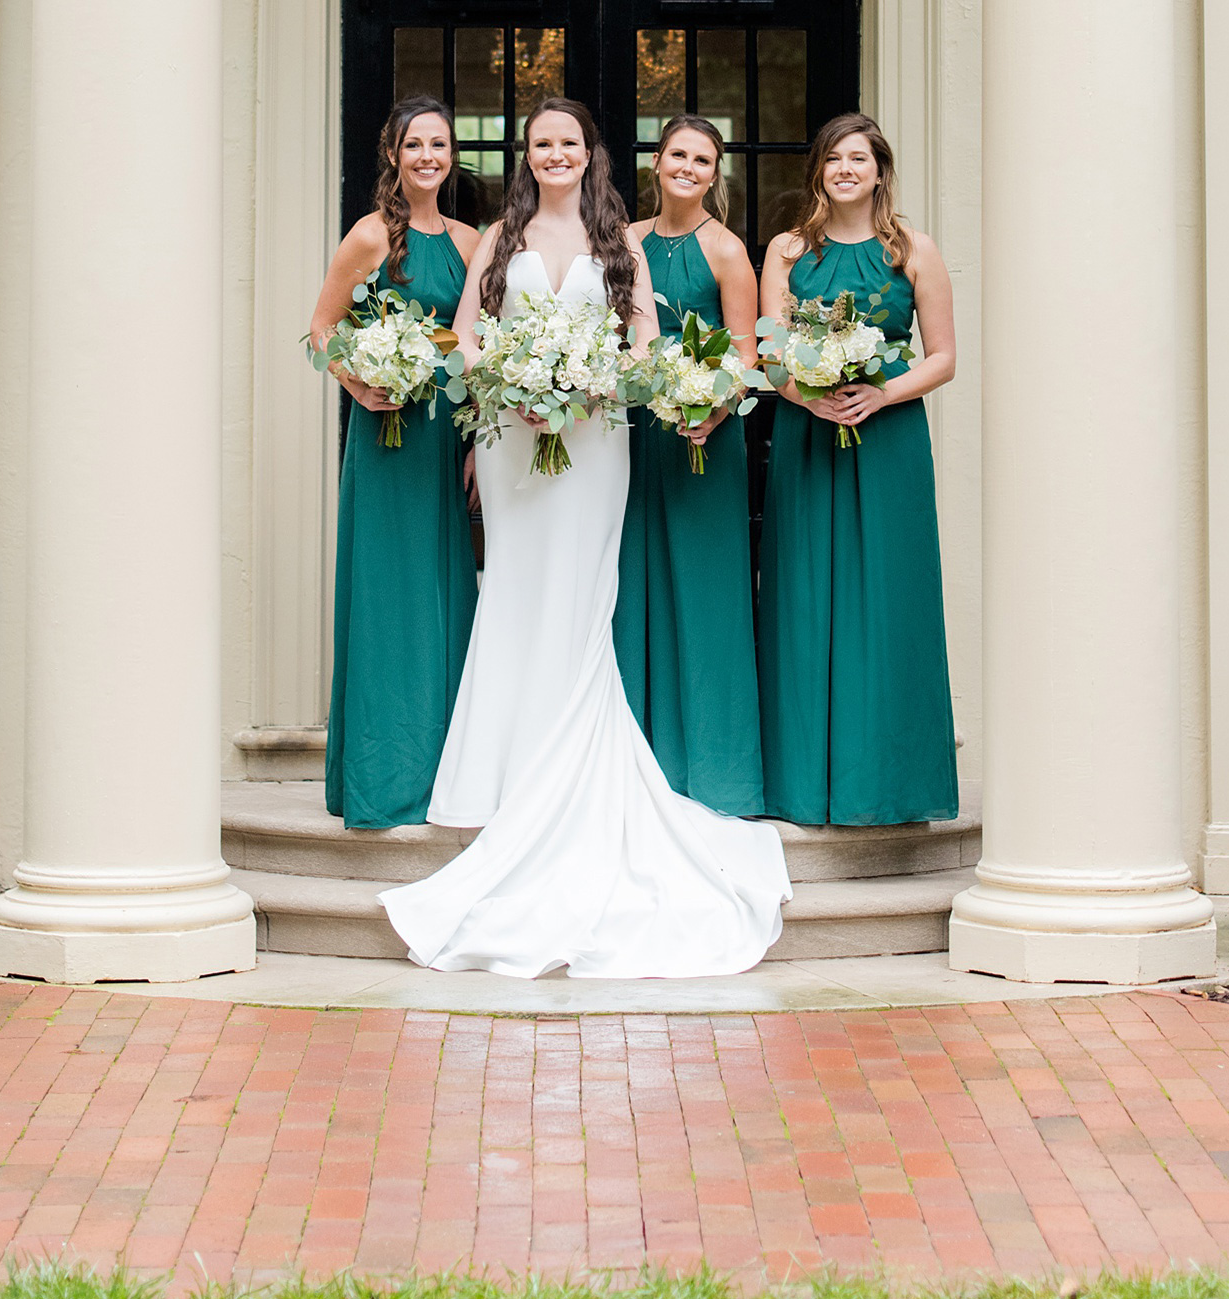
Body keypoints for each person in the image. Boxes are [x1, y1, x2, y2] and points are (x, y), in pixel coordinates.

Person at [383, 96, 790, 977]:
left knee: (580, 597)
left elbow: (644, 339)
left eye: (570, 142)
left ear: (589, 153)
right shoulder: (497, 237)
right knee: (518, 592)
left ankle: (573, 776)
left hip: (599, 437)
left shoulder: (622, 244)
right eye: (542, 143)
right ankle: (500, 776)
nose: (556, 153)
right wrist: (511, 387)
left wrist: (601, 380)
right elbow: (463, 337)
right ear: (527, 156)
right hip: (514, 436)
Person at [757, 113, 959, 827]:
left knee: (885, 599)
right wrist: (808, 396)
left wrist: (881, 392)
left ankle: (888, 784)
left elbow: (942, 358)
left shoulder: (913, 250)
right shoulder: (787, 251)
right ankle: (803, 784)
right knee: (805, 594)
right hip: (809, 436)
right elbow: (771, 352)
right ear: (818, 171)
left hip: (889, 440)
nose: (846, 169)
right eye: (833, 158)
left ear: (880, 171)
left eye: (859, 159)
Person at [310, 98, 481, 830]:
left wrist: (475, 440)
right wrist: (357, 380)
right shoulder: (370, 236)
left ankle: (448, 769)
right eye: (415, 144)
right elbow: (320, 331)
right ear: (393, 154)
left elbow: (479, 348)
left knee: (448, 594)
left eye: (439, 145)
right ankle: (384, 779)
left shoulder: (475, 243)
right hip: (385, 442)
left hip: (445, 437)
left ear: (451, 157)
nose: (427, 157)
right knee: (388, 600)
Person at [614, 114, 765, 815]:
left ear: (715, 173)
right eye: (679, 154)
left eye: (702, 160)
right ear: (657, 160)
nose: (688, 167)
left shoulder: (728, 250)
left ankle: (714, 771)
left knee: (706, 592)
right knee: (631, 583)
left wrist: (713, 408)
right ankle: (634, 762)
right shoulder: (626, 242)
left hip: (707, 435)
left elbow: (746, 356)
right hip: (638, 434)